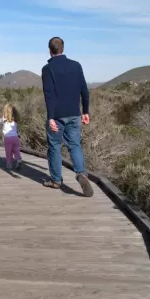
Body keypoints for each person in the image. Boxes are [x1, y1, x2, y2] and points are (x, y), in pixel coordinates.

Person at [41, 36, 94, 197]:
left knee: (55, 146)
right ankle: (81, 173)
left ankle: (56, 180)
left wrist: (50, 117)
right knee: (74, 145)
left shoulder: (47, 69)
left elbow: (48, 95)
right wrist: (85, 111)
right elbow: (84, 90)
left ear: (50, 50)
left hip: (57, 115)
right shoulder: (76, 66)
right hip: (74, 114)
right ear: (62, 49)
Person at [0, 103, 23, 170]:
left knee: (8, 152)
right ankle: (18, 159)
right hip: (15, 138)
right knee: (16, 150)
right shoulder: (15, 121)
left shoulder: (4, 120)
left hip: (7, 138)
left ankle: (9, 164)